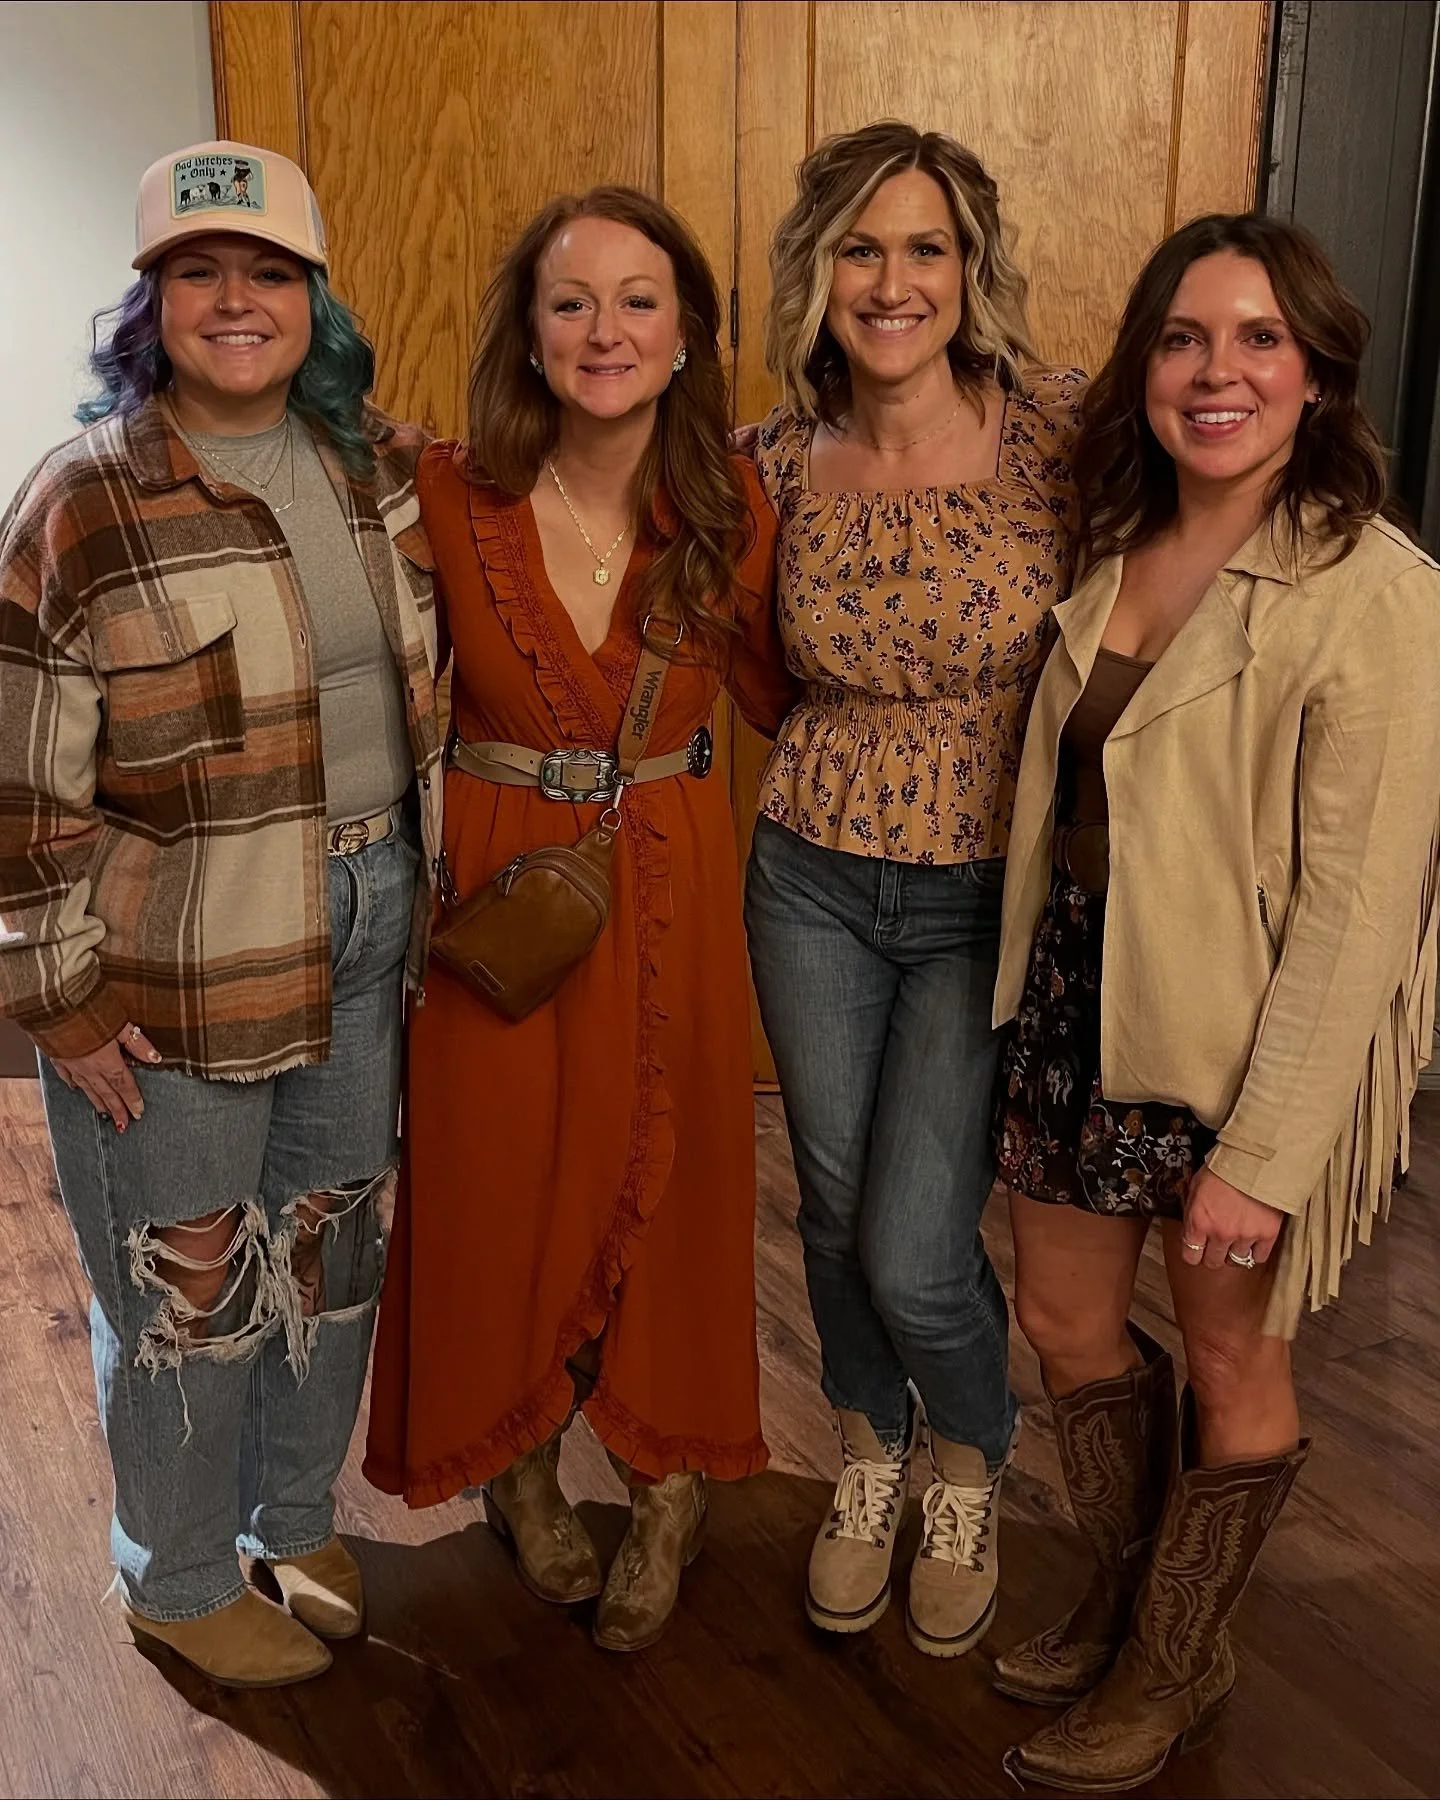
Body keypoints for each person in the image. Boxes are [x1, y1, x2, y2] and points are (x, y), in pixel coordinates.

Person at [991, 213, 1440, 1792]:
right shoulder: (1122, 537)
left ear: (1316, 374)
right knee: (1061, 1319)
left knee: (1232, 1349)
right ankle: (1127, 1600)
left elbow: (1361, 908)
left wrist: (1268, 1150)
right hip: (1078, 1001)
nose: (1218, 371)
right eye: (1185, 339)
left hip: (1233, 1041)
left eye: (1258, 340)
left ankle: (1173, 1665)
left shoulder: (1373, 587)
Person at [0, 141, 443, 1688]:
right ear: (151, 305)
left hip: (373, 911)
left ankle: (291, 1513)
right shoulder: (83, 500)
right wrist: (51, 990)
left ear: (313, 298)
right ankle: (177, 1575)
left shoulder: (376, 467)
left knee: (329, 1251)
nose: (235, 300)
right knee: (187, 1274)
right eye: (199, 272)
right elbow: (18, 778)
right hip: (173, 956)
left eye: (267, 271)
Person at [364, 186, 797, 1652]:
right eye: (570, 301)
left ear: (686, 338)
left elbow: (807, 699)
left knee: (671, 1187)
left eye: (638, 300)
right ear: (528, 335)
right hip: (500, 889)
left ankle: (669, 1480)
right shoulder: (436, 493)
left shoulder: (739, 511)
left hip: (669, 878)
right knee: (498, 1176)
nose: (604, 330)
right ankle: (520, 1469)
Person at [742, 120, 1084, 1657]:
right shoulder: (767, 461)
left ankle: (972, 1457)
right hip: (808, 870)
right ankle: (869, 1453)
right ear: (822, 270)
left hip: (978, 896)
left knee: (916, 1244)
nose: (894, 281)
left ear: (972, 269)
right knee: (826, 1204)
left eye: (926, 247)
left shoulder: (1059, 438)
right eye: (863, 248)